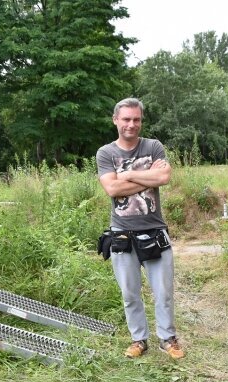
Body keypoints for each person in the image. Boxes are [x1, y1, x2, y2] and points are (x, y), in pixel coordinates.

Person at [96, 98, 183, 359]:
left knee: (164, 292)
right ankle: (138, 339)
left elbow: (164, 177)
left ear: (141, 120)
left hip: (155, 230)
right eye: (126, 119)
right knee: (130, 293)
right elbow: (111, 189)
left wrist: (124, 175)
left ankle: (167, 338)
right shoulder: (106, 153)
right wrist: (145, 176)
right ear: (115, 120)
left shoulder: (153, 146)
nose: (131, 124)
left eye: (136, 119)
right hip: (122, 233)